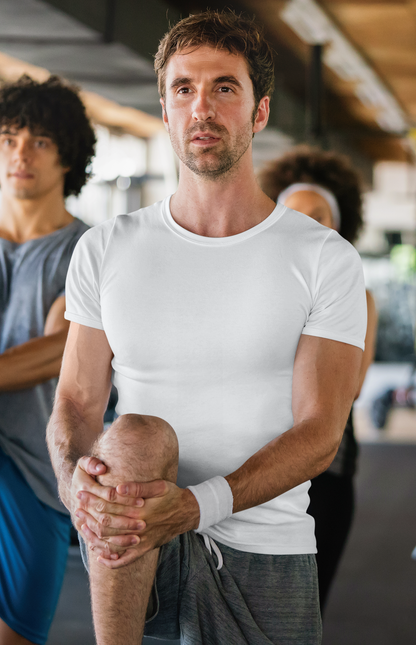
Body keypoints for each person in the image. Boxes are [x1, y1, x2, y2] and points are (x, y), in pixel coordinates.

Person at [47, 11, 367, 645]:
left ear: (259, 112)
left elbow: (320, 433)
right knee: (133, 436)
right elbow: (78, 404)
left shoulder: (323, 256)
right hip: (139, 545)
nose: (203, 107)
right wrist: (72, 486)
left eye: (225, 87)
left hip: (267, 545)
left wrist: (195, 507)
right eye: (184, 89)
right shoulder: (107, 248)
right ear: (165, 111)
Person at [258, 145, 378, 613]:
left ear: (339, 226)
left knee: (304, 611)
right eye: (296, 213)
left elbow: (349, 389)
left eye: (319, 215)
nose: (308, 225)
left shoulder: (358, 297)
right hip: (252, 464)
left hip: (326, 474)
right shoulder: (254, 288)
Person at [0, 75, 95, 645]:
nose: (20, 153)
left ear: (68, 155)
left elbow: (58, 349)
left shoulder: (85, 250)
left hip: (37, 467)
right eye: (9, 138)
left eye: (39, 141)